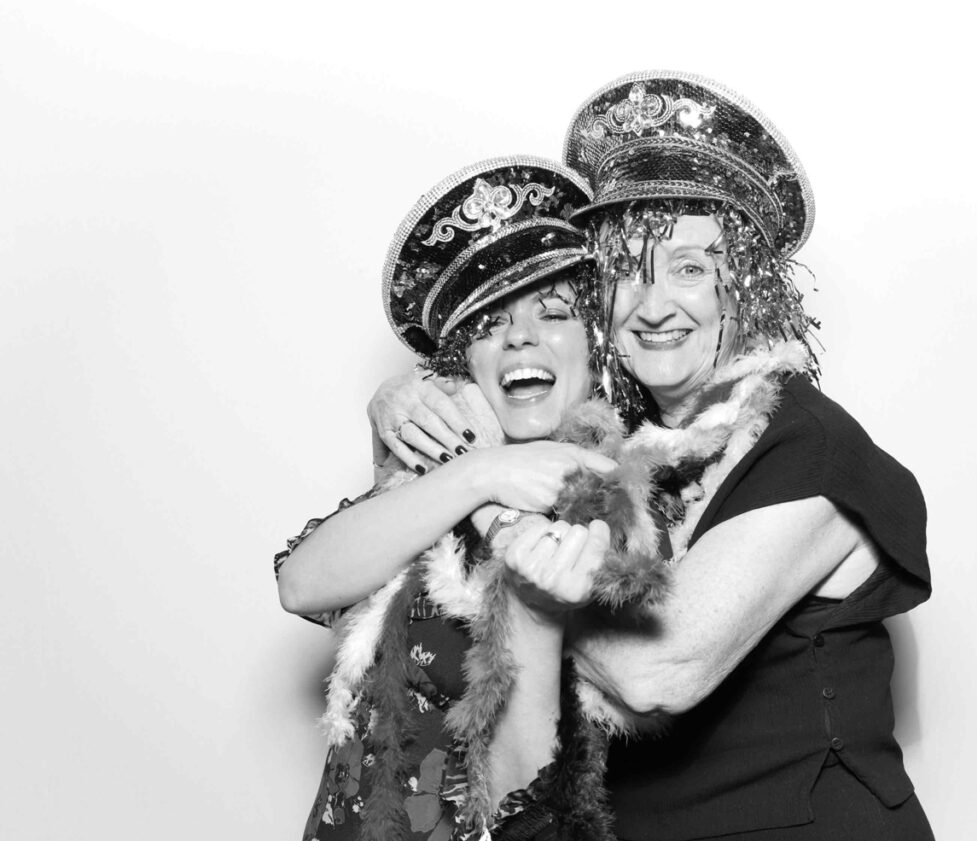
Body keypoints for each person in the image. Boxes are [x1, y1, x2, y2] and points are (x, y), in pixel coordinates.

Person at [367, 72, 934, 840]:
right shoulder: (623, 446)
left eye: (690, 269)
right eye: (628, 272)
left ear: (750, 288)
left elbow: (655, 675)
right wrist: (408, 405)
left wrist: (483, 495)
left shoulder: (811, 448)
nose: (654, 304)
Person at [276, 156, 666, 841]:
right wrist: (476, 472)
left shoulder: (621, 497)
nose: (520, 336)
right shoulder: (437, 481)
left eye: (553, 314)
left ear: (596, 347)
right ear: (464, 364)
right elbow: (302, 583)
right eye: (489, 324)